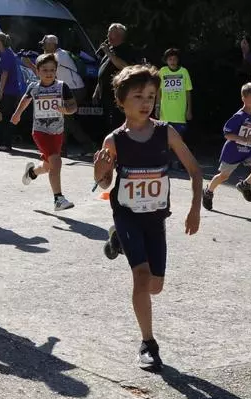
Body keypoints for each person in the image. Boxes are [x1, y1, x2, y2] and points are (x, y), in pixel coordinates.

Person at [95, 65, 202, 371]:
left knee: (155, 286)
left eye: (151, 96)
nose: (146, 102)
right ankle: (148, 344)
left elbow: (195, 170)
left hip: (155, 218)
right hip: (127, 214)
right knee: (141, 278)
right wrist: (100, 169)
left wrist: (195, 208)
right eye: (138, 96)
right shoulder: (114, 140)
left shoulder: (166, 132)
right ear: (121, 101)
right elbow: (104, 183)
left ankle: (116, 240)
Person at [11, 53, 77, 211]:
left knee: (48, 166)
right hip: (40, 131)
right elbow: (25, 100)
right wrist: (17, 114)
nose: (49, 73)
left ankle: (32, 173)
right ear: (38, 71)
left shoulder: (62, 86)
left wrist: (66, 110)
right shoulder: (34, 87)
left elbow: (73, 106)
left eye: (52, 70)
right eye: (45, 70)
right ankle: (58, 199)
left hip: (57, 131)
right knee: (56, 162)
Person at [202, 83, 251, 211]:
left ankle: (245, 185)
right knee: (224, 176)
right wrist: (242, 139)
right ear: (244, 98)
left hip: (248, 150)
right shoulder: (239, 116)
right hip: (233, 151)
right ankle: (208, 191)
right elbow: (227, 134)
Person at [39, 34, 96, 157]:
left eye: (45, 45)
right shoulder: (58, 54)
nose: (43, 47)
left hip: (75, 90)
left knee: (66, 119)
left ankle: (86, 147)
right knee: (65, 119)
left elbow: (43, 73)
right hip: (71, 89)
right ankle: (64, 149)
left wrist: (29, 64)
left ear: (52, 45)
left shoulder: (59, 56)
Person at [93, 24, 136, 133]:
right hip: (104, 94)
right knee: (106, 124)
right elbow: (104, 71)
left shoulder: (125, 49)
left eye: (110, 33)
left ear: (119, 35)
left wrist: (108, 52)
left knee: (116, 123)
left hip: (116, 95)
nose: (107, 36)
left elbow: (125, 67)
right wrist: (97, 89)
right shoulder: (110, 48)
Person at [0, 32, 25, 152]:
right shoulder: (8, 53)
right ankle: (0, 142)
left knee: (3, 117)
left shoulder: (6, 55)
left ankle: (4, 143)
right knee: (5, 116)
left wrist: (0, 91)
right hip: (11, 91)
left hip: (8, 91)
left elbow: (5, 74)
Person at [158, 48, 193, 138]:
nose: (172, 61)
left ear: (178, 60)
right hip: (165, 115)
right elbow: (159, 90)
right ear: (166, 60)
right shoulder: (162, 71)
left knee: (178, 140)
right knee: (164, 140)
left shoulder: (184, 71)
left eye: (174, 59)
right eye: (170, 59)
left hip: (179, 115)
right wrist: (157, 107)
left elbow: (188, 91)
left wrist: (189, 110)